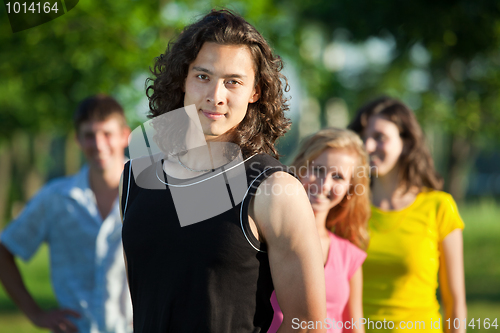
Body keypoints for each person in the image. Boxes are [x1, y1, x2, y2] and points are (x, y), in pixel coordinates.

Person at [120, 9, 327, 333]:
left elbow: (308, 323)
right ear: (183, 80)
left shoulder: (274, 189)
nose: (216, 96)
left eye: (233, 82)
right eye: (203, 77)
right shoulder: (135, 177)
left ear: (255, 91)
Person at [0, 94, 133, 333]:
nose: (99, 145)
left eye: (107, 134)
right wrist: (35, 314)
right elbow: (4, 249)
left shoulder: (152, 193)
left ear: (125, 135)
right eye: (89, 136)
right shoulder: (54, 198)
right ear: (77, 140)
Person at [348, 97, 466, 333]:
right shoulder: (347, 206)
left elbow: (455, 303)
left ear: (407, 143)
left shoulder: (439, 206)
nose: (368, 146)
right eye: (363, 137)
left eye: (379, 137)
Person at [268, 128, 370, 333]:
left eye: (338, 177)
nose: (324, 185)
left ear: (350, 190)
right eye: (318, 170)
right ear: (299, 168)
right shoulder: (267, 235)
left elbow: (354, 326)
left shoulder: (349, 256)